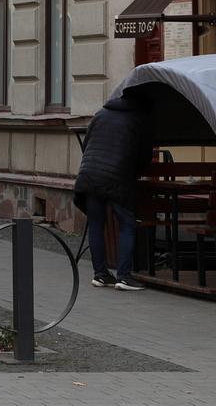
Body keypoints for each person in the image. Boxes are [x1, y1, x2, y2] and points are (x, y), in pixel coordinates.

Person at [74, 88, 153, 291]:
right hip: (117, 178)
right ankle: (124, 277)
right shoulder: (138, 119)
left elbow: (87, 145)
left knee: (96, 224)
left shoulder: (100, 114)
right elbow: (144, 156)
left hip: (90, 175)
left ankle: (100, 275)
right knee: (127, 224)